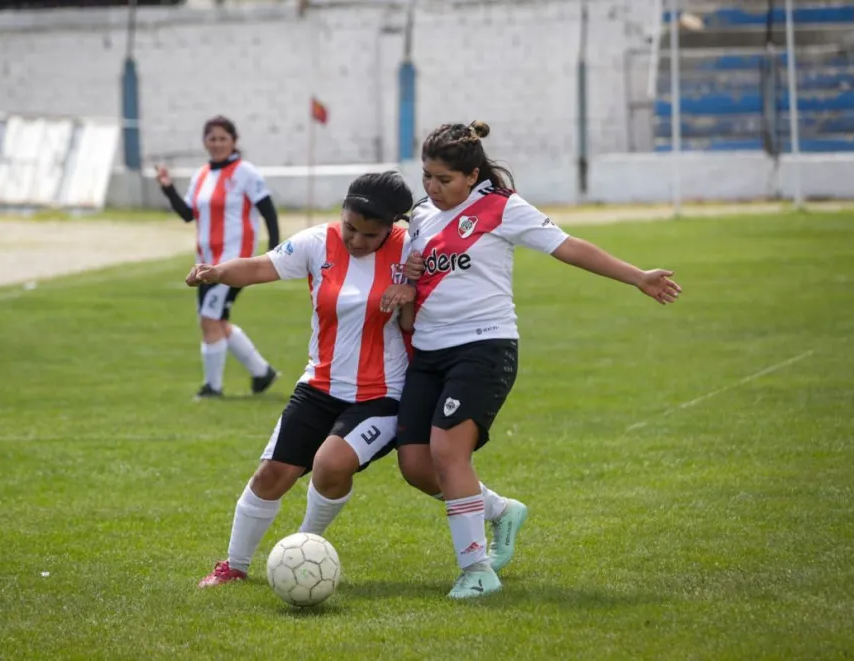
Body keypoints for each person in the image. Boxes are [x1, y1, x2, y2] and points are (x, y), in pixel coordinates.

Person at [382, 120, 682, 599]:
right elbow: (410, 275)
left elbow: (570, 247)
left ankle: (477, 571)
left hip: (484, 347)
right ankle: (501, 511)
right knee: (416, 466)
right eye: (427, 177)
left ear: (472, 175)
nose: (433, 189)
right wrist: (408, 277)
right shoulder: (419, 216)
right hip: (428, 352)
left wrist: (637, 276)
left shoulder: (501, 208)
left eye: (444, 179)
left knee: (447, 453)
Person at [185, 172, 523, 588]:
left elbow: (441, 300)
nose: (357, 240)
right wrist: (216, 272)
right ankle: (233, 566)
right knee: (271, 475)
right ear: (341, 214)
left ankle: (304, 545)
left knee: (331, 463)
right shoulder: (316, 243)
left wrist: (411, 294)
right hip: (319, 386)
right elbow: (258, 267)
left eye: (370, 233)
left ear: (392, 227)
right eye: (350, 227)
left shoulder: (414, 250)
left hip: (384, 394)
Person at [156, 115, 280, 399]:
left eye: (223, 138)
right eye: (212, 138)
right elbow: (188, 214)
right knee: (216, 319)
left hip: (234, 260)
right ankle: (262, 373)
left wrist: (273, 251)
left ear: (234, 141)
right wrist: (167, 187)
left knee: (209, 319)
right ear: (204, 142)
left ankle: (212, 387)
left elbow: (268, 210)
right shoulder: (201, 175)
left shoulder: (245, 171)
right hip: (205, 261)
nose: (217, 143)